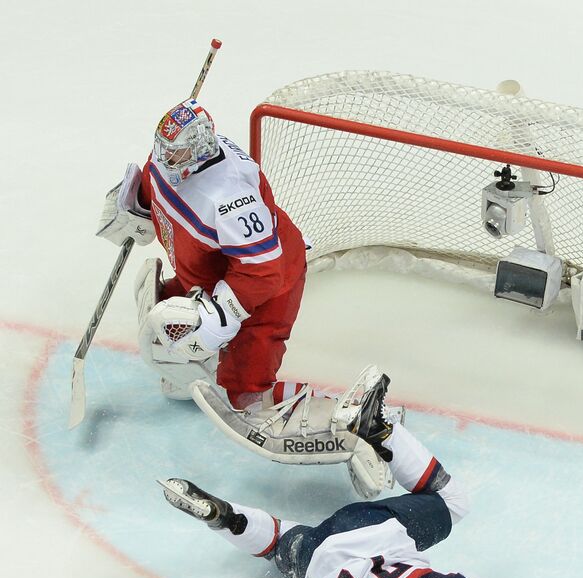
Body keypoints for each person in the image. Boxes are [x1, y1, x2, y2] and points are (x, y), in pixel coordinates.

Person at [96, 98, 392, 498]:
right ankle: (200, 368)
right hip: (208, 273)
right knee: (165, 319)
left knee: (247, 396)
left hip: (266, 288)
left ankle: (356, 421)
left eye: (176, 152)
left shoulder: (231, 197)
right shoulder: (172, 161)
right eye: (163, 148)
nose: (165, 158)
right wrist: (135, 205)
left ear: (200, 149)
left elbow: (262, 272)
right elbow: (156, 183)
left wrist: (221, 314)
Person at [159, 378, 505, 578]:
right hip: (316, 564)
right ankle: (225, 518)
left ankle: (380, 429)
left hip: (369, 527)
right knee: (279, 541)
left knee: (453, 502)